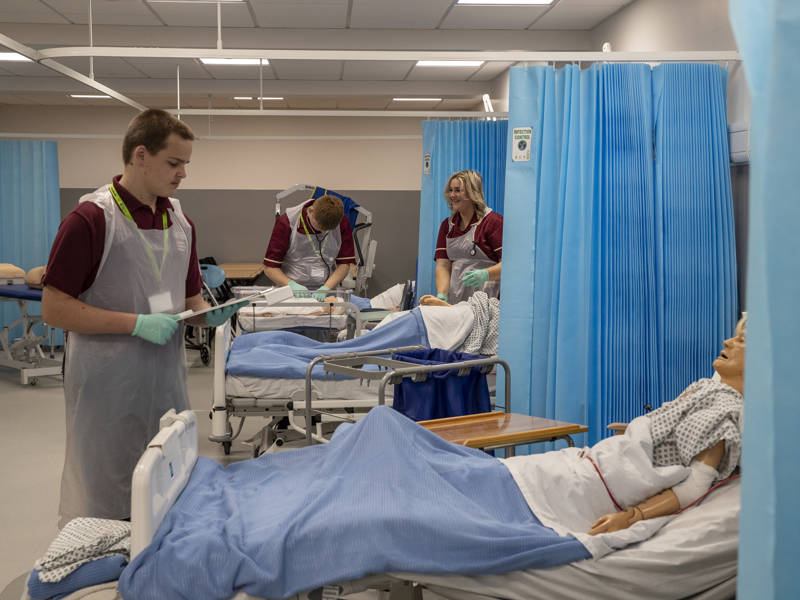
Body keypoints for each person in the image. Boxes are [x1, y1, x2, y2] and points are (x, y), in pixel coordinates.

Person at [41, 108, 243, 527]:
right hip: (106, 382)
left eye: (186, 163)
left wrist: (213, 316)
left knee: (167, 483)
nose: (183, 173)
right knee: (108, 492)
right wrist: (135, 323)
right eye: (174, 162)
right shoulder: (91, 220)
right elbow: (54, 307)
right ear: (139, 156)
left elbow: (191, 302)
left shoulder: (182, 224)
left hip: (166, 378)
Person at [587, 316, 745, 535]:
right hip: (605, 459)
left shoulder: (726, 412)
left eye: (742, 341)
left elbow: (694, 487)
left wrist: (631, 517)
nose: (727, 341)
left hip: (615, 477)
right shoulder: (704, 387)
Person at [263, 194, 356, 301]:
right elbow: (270, 268)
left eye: (328, 230)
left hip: (326, 290)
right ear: (310, 211)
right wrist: (291, 285)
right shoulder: (287, 222)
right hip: (290, 291)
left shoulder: (342, 222)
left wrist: (326, 288)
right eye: (319, 227)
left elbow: (344, 265)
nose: (323, 232)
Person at [435, 170, 503, 304]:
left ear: (472, 193)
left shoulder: (493, 222)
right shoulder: (447, 226)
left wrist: (486, 274)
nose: (452, 195)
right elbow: (443, 265)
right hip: (457, 301)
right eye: (450, 190)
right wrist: (442, 294)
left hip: (488, 301)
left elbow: (510, 265)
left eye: (458, 190)